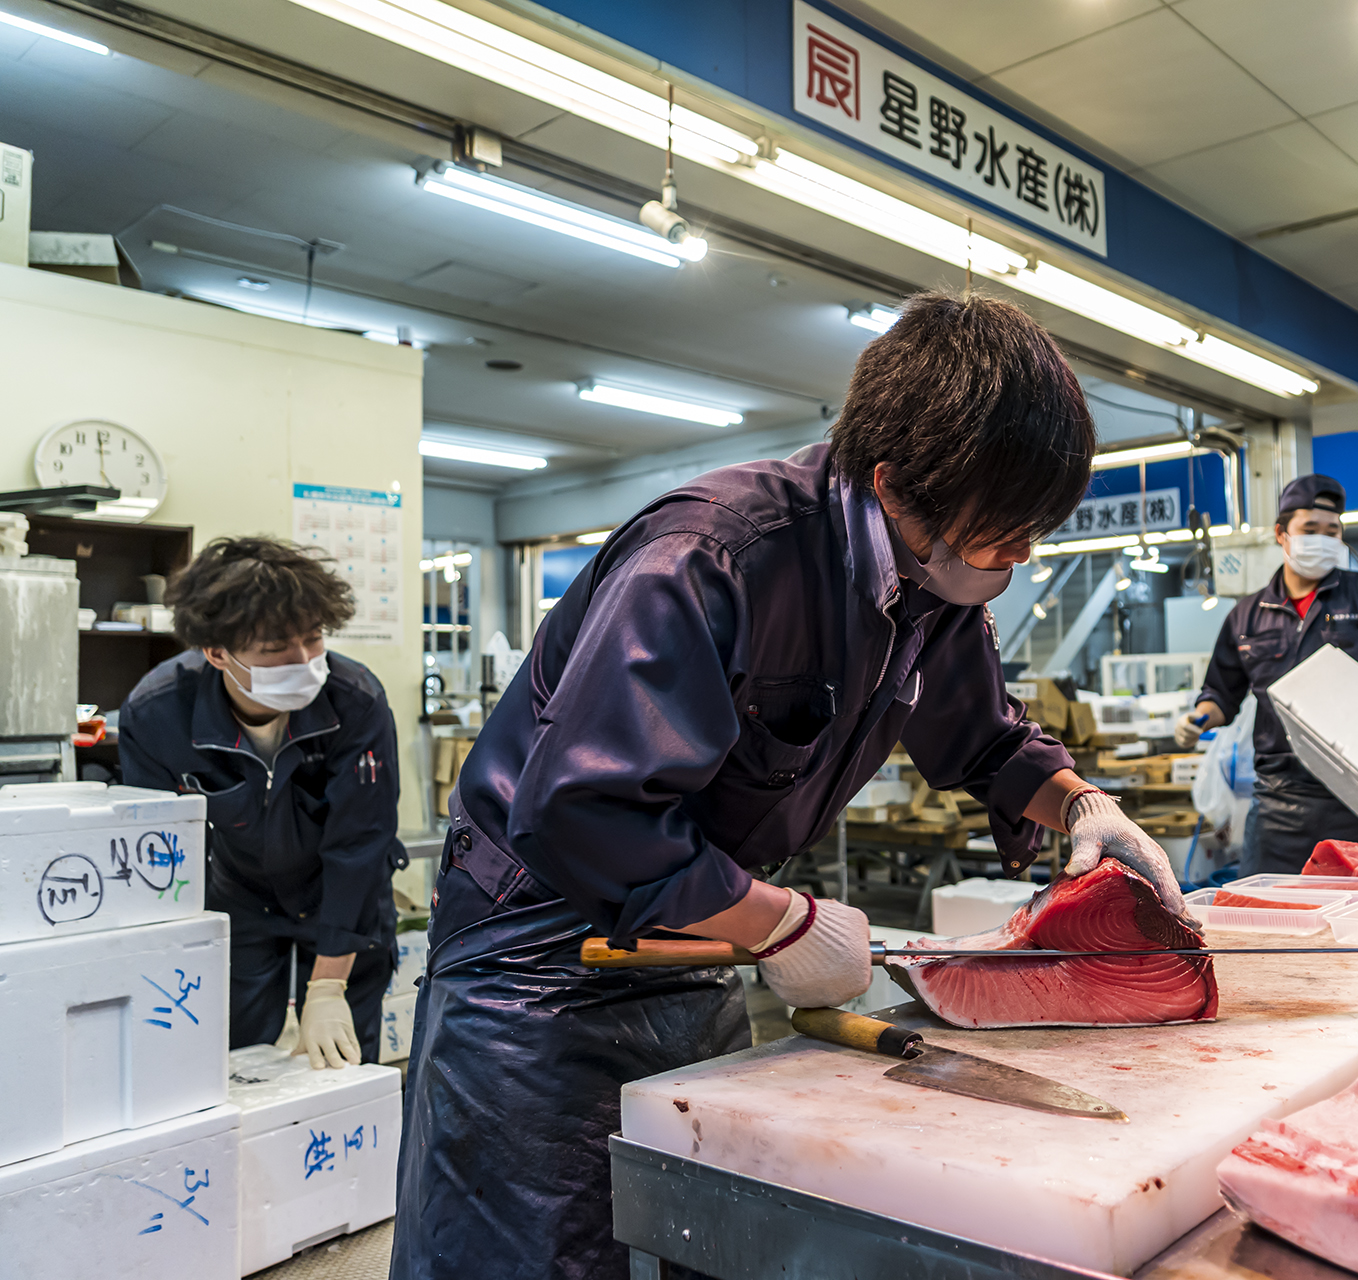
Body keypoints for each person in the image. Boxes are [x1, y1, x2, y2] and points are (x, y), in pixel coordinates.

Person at [392, 293, 1196, 1280]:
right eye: (1003, 531)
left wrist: (1081, 803)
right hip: (535, 960)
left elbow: (985, 737)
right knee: (538, 1253)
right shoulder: (710, 556)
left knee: (699, 1232)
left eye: (1033, 529)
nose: (1019, 557)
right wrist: (780, 922)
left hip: (695, 931)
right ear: (893, 484)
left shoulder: (937, 571)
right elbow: (583, 808)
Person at [120, 537, 404, 1069]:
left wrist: (328, 987)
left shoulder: (355, 700)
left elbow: (361, 845)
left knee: (342, 1067)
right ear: (216, 652)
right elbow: (157, 853)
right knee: (235, 1061)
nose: (304, 660)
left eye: (313, 638)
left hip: (342, 901)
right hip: (241, 902)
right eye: (276, 648)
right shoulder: (158, 714)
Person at [1174, 475, 1358, 874]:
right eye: (1310, 530)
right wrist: (1197, 719)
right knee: (1264, 908)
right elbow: (1222, 693)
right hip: (1277, 803)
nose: (1322, 540)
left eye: (1332, 531)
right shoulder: (1247, 615)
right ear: (1282, 534)